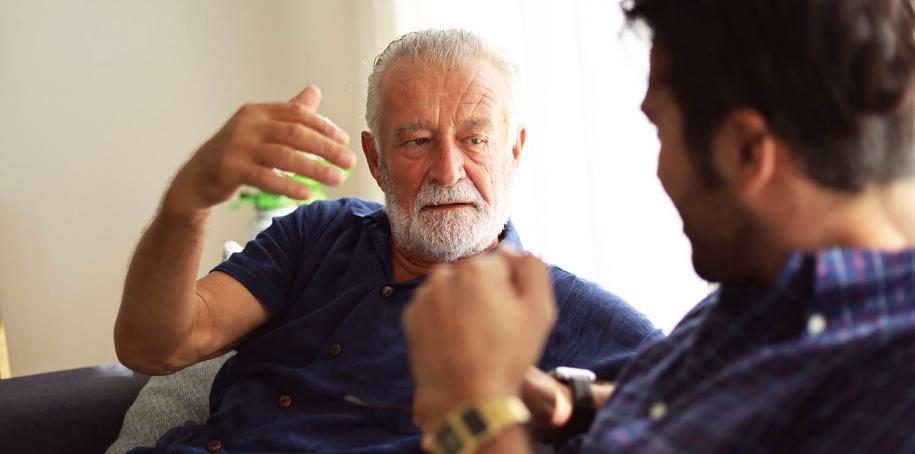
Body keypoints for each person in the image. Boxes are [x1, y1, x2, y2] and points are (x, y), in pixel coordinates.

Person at [114, 29, 659, 453]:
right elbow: (156, 347)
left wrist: (568, 400)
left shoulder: (561, 312)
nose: (448, 170)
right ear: (375, 159)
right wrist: (187, 205)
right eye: (418, 142)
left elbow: (707, 406)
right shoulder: (316, 234)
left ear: (513, 150)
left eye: (474, 139)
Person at [403, 1, 915, 452]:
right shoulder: (762, 290)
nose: (660, 168)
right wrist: (573, 405)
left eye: (660, 129)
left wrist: (473, 411)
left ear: (746, 152)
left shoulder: (891, 390)